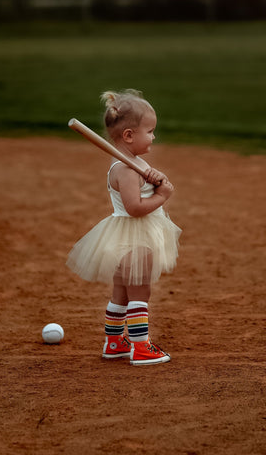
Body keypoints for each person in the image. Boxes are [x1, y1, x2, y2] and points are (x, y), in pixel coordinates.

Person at [66, 89, 181, 365]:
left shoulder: (133, 164)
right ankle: (141, 347)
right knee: (140, 291)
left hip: (121, 238)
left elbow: (147, 183)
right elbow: (135, 208)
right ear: (129, 135)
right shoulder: (126, 170)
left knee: (121, 291)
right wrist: (161, 196)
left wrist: (157, 178)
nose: (153, 136)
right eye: (150, 131)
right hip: (136, 237)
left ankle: (115, 342)